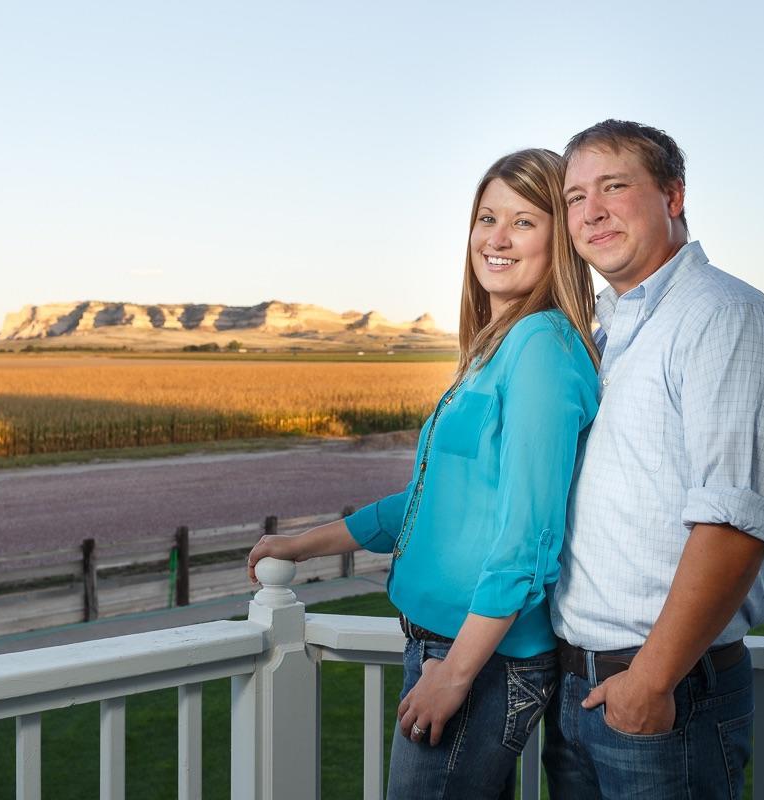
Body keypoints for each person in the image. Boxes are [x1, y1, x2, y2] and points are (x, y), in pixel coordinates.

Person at [247, 149, 599, 799]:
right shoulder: (495, 349)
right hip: (445, 647)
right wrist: (303, 544)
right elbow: (432, 499)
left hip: (482, 656)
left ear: (562, 239)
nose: (496, 238)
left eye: (524, 221)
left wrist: (457, 672)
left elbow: (529, 538)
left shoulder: (542, 353)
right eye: (486, 217)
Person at [543, 119, 764, 798]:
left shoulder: (724, 317)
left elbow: (735, 523)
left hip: (664, 697)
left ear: (673, 195)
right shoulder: (608, 332)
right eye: (574, 197)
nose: (591, 211)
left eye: (614, 186)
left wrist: (651, 681)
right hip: (579, 691)